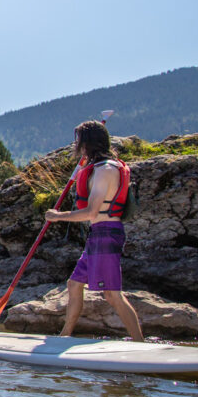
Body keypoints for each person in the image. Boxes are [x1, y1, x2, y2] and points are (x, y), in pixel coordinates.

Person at [44, 120, 144, 341]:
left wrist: (58, 216)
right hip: (98, 234)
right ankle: (64, 336)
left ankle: (140, 342)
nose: (75, 144)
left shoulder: (105, 170)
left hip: (107, 233)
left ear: (87, 143)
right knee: (74, 283)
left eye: (78, 140)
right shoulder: (97, 167)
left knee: (111, 294)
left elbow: (91, 212)